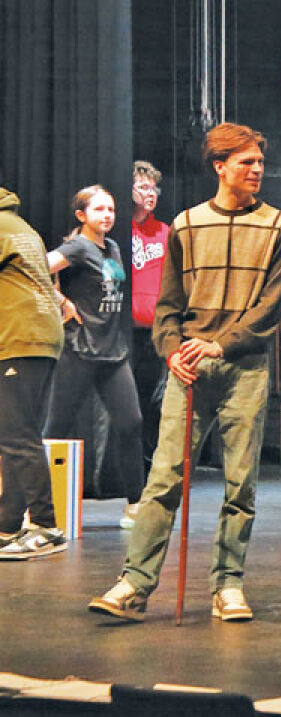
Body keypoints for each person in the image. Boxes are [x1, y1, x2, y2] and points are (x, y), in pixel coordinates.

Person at [88, 122, 281, 622]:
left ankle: (228, 586)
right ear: (220, 166)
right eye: (246, 162)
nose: (257, 170)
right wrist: (171, 351)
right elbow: (168, 305)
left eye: (260, 162)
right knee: (163, 478)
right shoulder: (186, 224)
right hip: (189, 367)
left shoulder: (279, 226)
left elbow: (270, 308)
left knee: (240, 484)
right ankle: (134, 584)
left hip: (243, 367)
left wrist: (219, 344)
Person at [43, 186, 144, 526]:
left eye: (111, 209)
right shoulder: (77, 247)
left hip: (113, 352)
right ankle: (36, 505)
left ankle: (135, 503)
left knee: (131, 423)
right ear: (81, 215)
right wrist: (62, 301)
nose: (107, 215)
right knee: (57, 426)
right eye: (99, 209)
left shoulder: (112, 246)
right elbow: (36, 269)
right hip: (79, 350)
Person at [0, 186, 66, 559]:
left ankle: (46, 526)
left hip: (19, 339)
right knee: (16, 434)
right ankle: (7, 525)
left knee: (17, 436)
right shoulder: (22, 227)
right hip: (40, 339)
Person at [130, 160, 170, 520]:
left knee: (153, 407)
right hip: (123, 333)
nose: (151, 193)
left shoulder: (164, 233)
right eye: (143, 187)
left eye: (154, 188)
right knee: (130, 410)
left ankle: (148, 484)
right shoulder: (119, 229)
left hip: (155, 334)